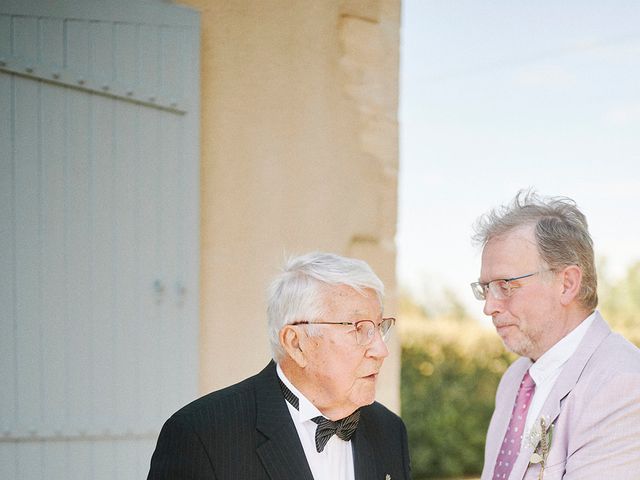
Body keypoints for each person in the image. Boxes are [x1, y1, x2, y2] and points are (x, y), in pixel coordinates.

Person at [147, 251, 411, 480]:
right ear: (296, 343)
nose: (381, 350)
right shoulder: (201, 434)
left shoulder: (389, 430)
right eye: (359, 328)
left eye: (379, 327)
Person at [471, 190, 640, 480]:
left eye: (504, 285)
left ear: (567, 284)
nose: (489, 306)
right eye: (485, 288)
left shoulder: (623, 385)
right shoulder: (515, 380)